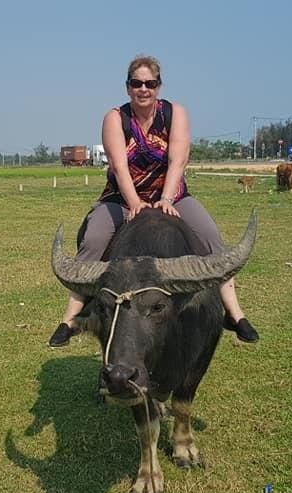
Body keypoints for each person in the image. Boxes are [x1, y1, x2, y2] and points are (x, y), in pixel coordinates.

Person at [48, 55, 259, 347]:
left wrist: (167, 198)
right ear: (128, 87)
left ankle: (234, 313)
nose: (143, 89)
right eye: (137, 83)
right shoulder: (116, 118)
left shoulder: (175, 114)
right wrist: (133, 202)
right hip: (122, 197)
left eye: (150, 83)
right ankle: (71, 318)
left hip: (171, 195)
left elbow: (178, 160)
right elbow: (119, 166)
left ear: (159, 86)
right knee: (94, 238)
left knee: (210, 235)